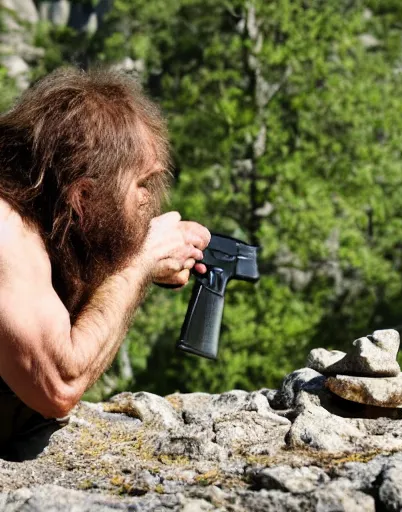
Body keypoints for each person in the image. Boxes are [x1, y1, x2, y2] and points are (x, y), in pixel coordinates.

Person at [0, 67, 211, 461]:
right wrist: (138, 264)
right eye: (141, 185)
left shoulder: (39, 199)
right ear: (82, 196)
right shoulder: (6, 231)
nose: (150, 202)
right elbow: (58, 386)